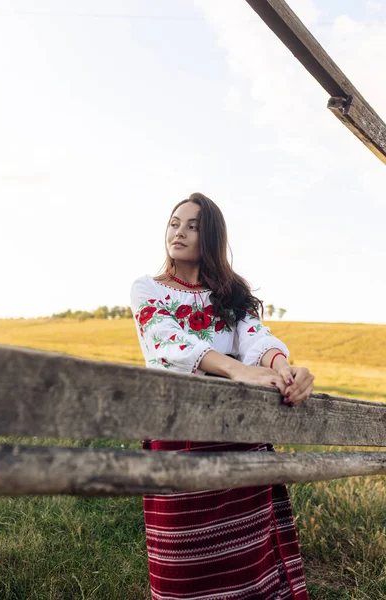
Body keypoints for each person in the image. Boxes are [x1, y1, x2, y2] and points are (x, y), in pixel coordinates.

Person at [130, 192, 314, 600]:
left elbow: (255, 338)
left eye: (193, 225)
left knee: (246, 562)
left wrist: (283, 369)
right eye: (174, 222)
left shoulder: (231, 293)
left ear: (211, 236)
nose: (179, 231)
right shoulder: (148, 289)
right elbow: (166, 342)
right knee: (182, 564)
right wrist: (236, 370)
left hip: (239, 435)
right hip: (177, 434)